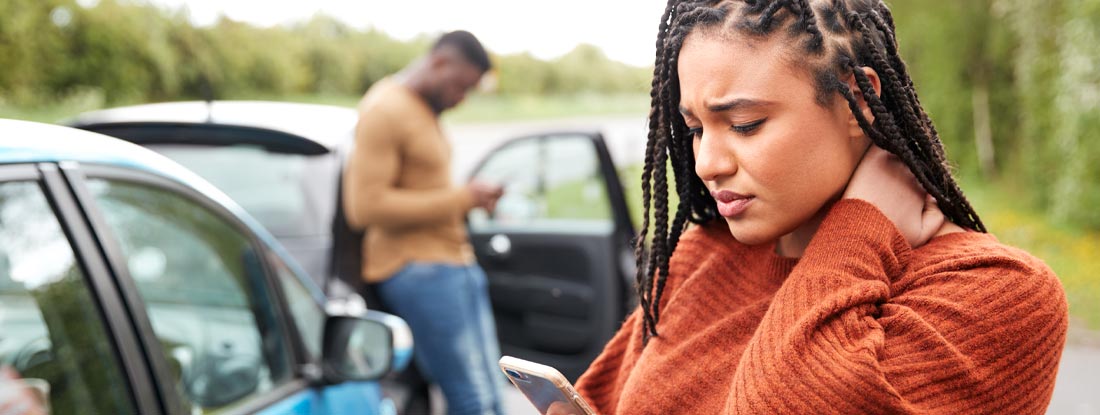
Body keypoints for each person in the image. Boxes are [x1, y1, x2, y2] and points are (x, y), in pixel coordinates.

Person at [566, 1, 1069, 414]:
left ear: (857, 101)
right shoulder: (704, 255)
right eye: (696, 129)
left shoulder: (999, 293)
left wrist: (859, 232)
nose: (707, 164)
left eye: (744, 125)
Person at [342, 30, 505, 415]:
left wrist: (470, 199)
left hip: (454, 263)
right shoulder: (385, 109)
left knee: (494, 391)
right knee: (472, 399)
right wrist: (462, 198)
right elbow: (364, 207)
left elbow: (425, 187)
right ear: (439, 62)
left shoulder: (422, 108)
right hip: (418, 268)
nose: (461, 98)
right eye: (459, 86)